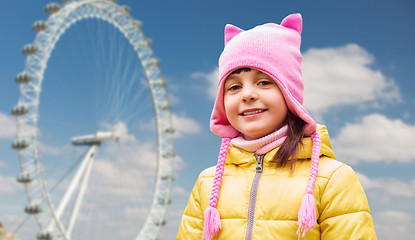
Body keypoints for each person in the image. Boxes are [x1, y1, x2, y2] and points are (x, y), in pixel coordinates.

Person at [177, 13, 377, 240]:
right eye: (233, 87)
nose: (248, 94)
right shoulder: (208, 182)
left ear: (289, 93)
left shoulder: (333, 178)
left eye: (264, 82)